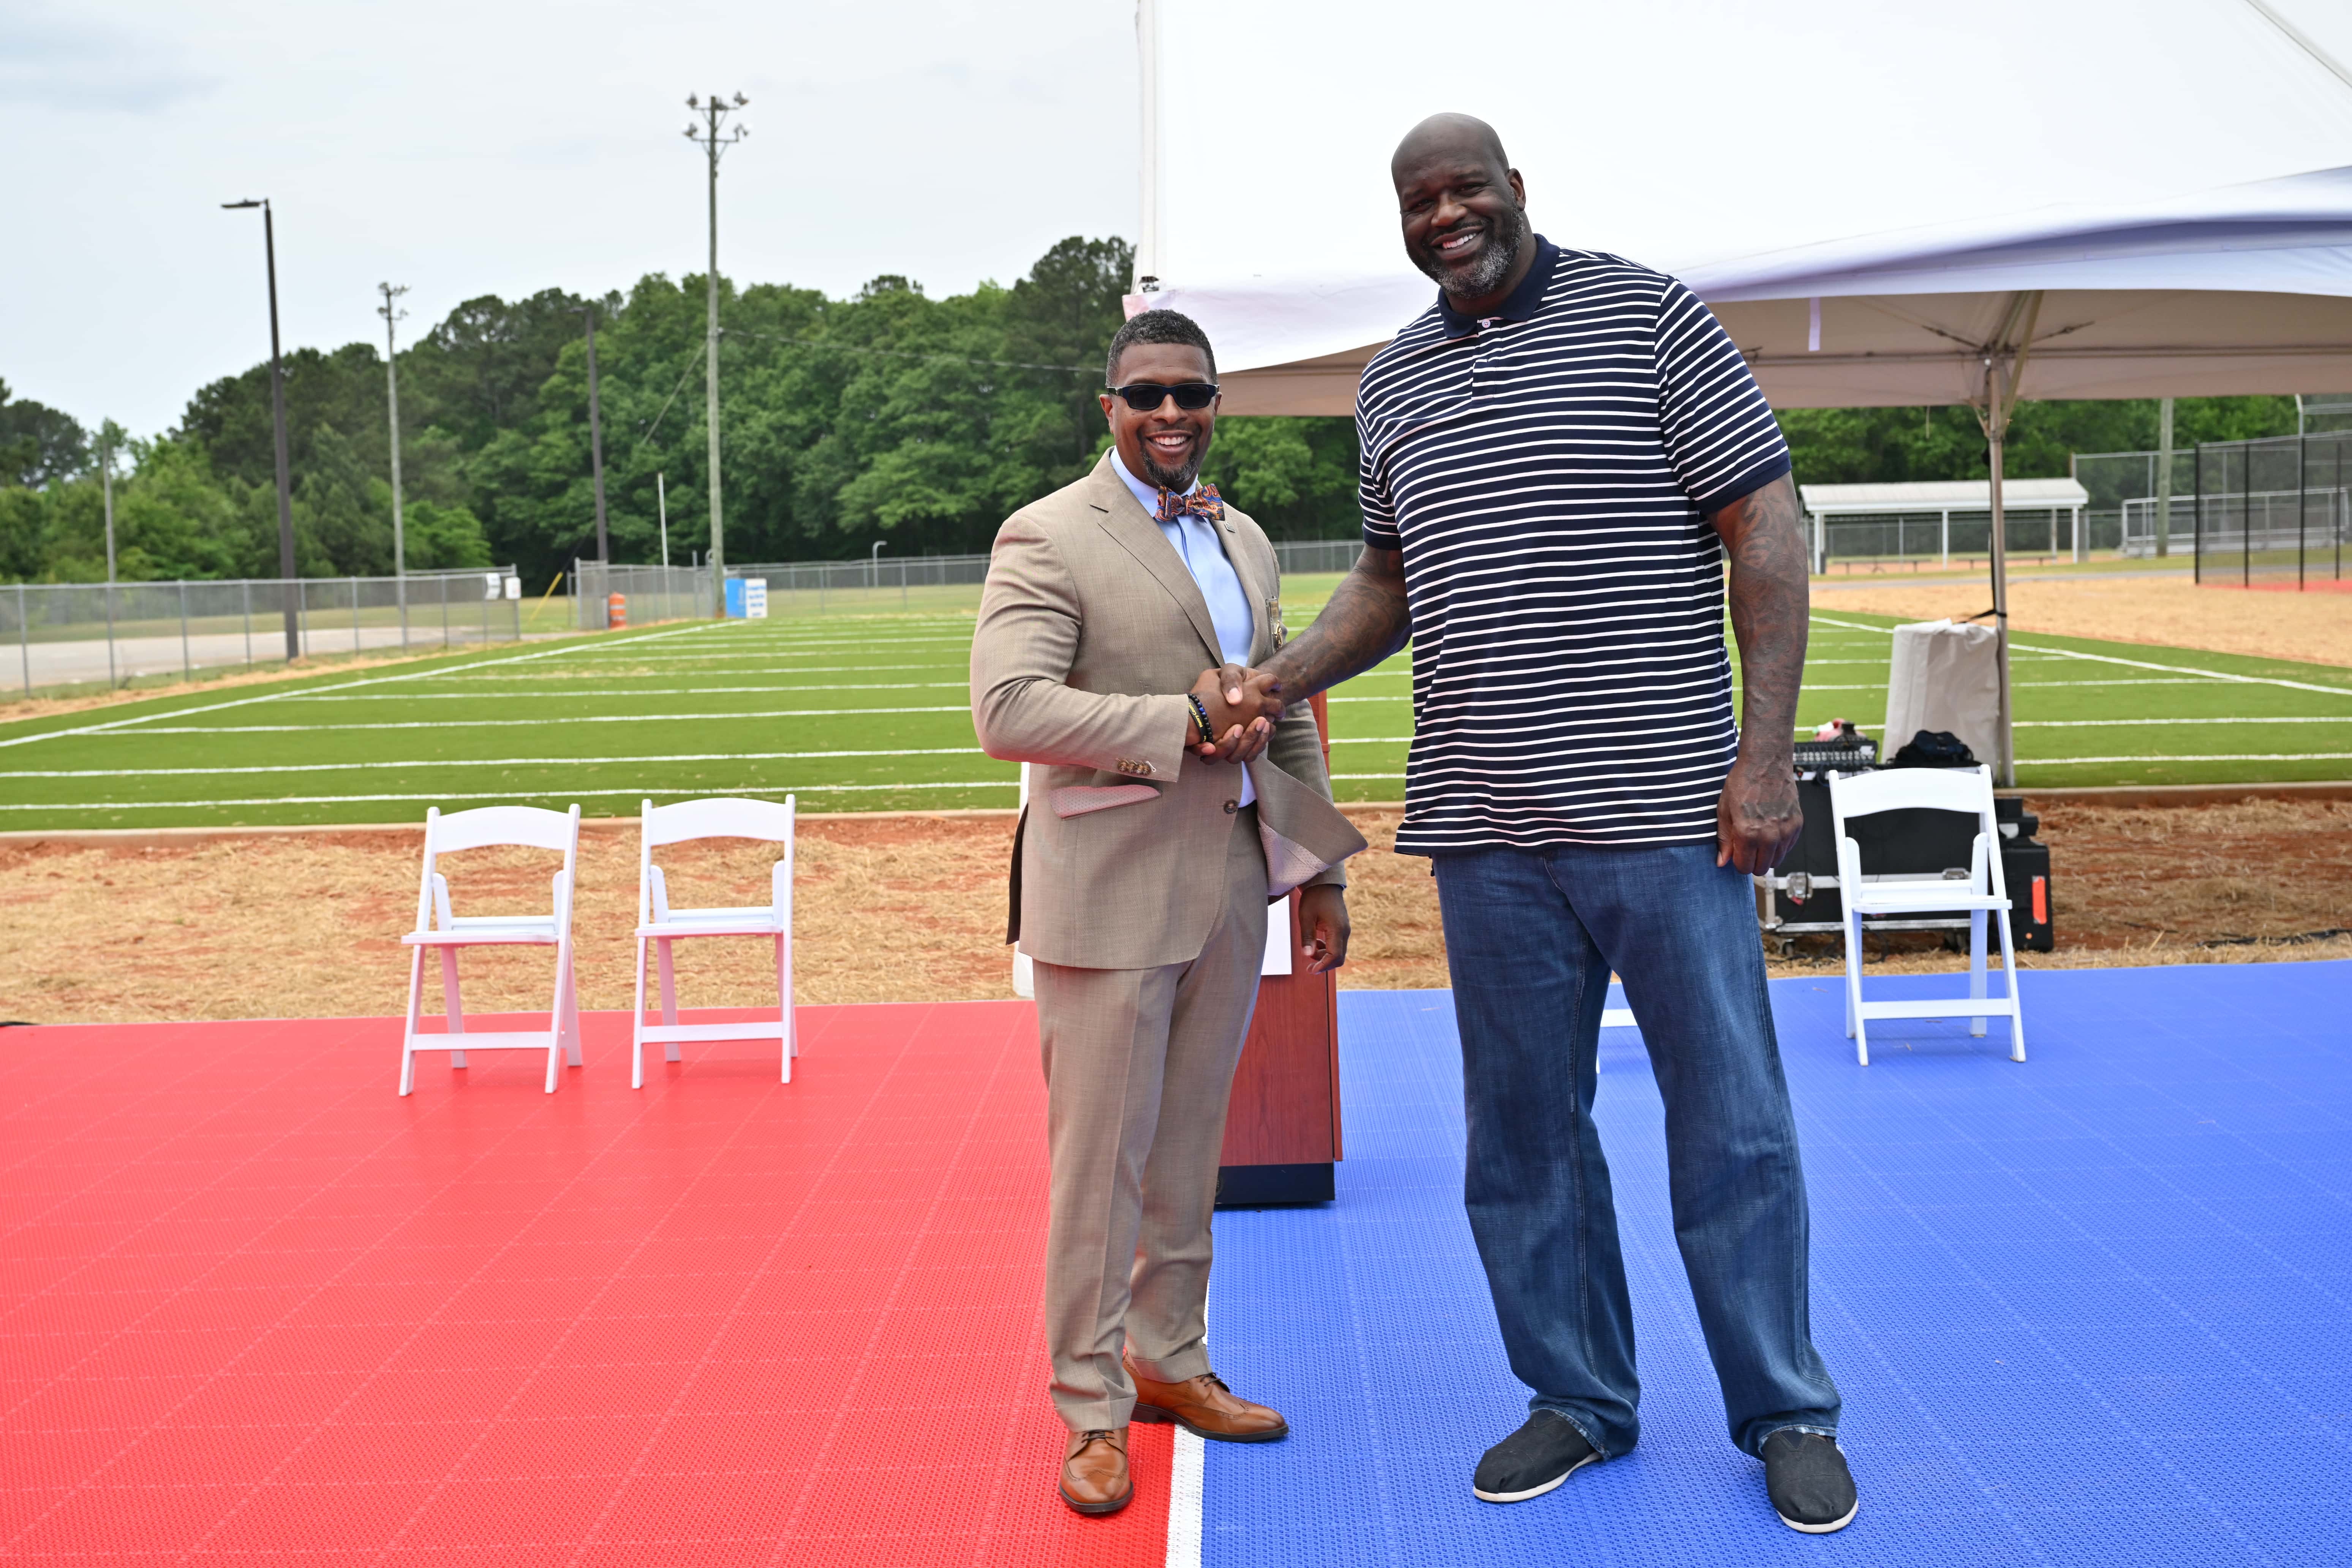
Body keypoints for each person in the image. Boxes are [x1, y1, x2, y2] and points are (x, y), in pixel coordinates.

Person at [1253, 113, 1856, 1534]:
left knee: (1733, 1126)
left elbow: (1766, 533)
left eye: (1465, 189)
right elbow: (1388, 586)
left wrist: (1764, 761)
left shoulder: (1651, 315)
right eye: (1418, 202)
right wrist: (1274, 679)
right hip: (1485, 827)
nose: (1444, 216)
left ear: (1519, 191)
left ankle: (1784, 1409)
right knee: (1522, 1138)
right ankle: (1579, 1397)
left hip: (1664, 809)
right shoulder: (1393, 379)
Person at [970, 307, 1364, 1517]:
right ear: (1111, 409)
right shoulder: (1047, 535)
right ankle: (1089, 1408)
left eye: (1193, 393)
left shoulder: (1243, 538)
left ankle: (1170, 1359)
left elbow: (1286, 707)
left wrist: (1323, 868)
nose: (1173, 413)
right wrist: (1177, 724)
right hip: (1103, 887)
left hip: (1233, 884)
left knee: (1194, 1150)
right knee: (1101, 1168)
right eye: (1148, 395)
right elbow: (1009, 710)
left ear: (1214, 404)